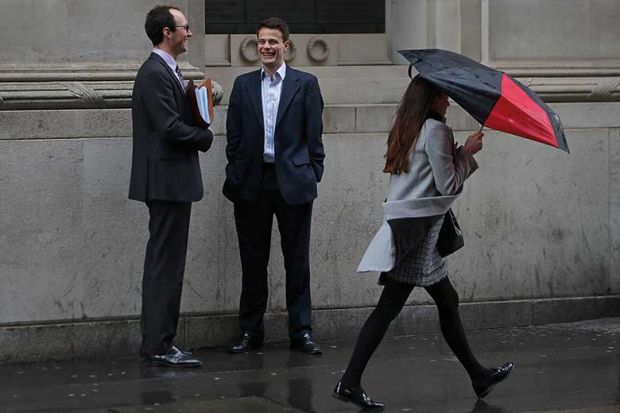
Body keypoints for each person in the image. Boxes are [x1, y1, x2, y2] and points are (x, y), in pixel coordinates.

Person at [332, 76, 513, 409]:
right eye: (443, 96)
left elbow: (425, 174)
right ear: (431, 98)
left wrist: (455, 152)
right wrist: (468, 154)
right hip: (419, 231)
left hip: (411, 227)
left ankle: (478, 374)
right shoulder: (437, 131)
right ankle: (350, 381)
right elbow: (446, 185)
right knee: (388, 308)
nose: (448, 101)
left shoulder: (408, 125)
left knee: (448, 299)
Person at [223, 17, 325, 355]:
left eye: (273, 42)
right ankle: (251, 332)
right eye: (262, 42)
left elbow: (314, 136)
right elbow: (234, 136)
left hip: (294, 183)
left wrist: (313, 172)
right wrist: (236, 169)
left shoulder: (305, 84)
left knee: (297, 262)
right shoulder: (242, 85)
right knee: (253, 263)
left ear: (287, 46)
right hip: (252, 183)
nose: (266, 47)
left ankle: (302, 332)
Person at [129, 5, 213, 367]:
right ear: (167, 32)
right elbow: (168, 127)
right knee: (165, 266)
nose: (189, 33)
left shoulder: (166, 71)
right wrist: (204, 135)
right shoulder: (154, 73)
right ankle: (159, 346)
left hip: (171, 181)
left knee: (167, 265)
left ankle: (159, 342)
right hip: (165, 182)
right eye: (184, 27)